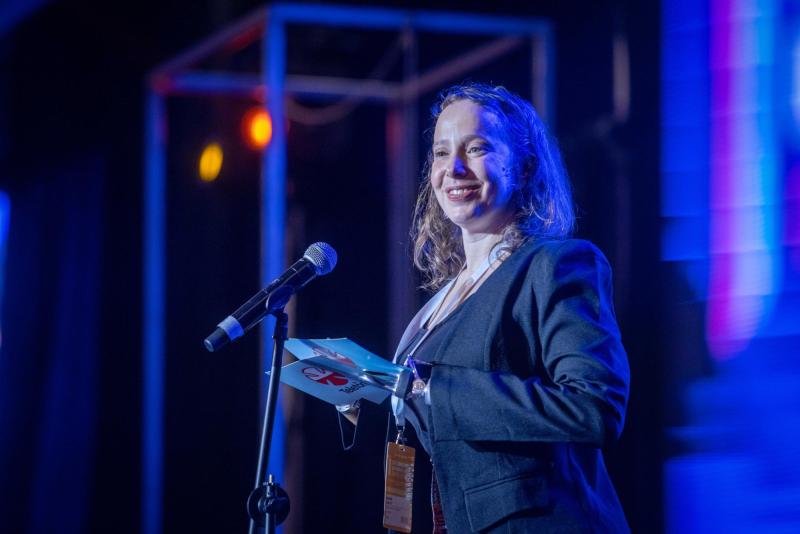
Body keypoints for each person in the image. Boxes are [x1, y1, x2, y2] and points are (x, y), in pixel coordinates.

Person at [387, 82, 631, 533]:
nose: (454, 168)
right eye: (441, 153)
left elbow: (595, 406)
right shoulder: (441, 304)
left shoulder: (555, 265)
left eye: (476, 148)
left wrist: (438, 393)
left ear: (523, 167)